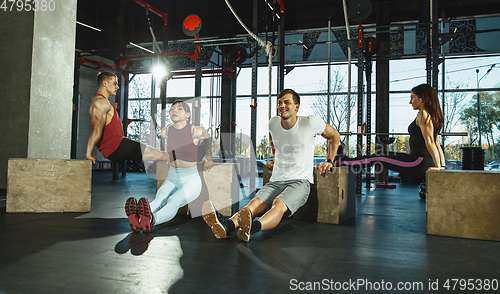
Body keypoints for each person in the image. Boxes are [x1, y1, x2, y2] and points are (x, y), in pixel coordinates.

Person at [202, 89, 341, 242]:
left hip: (299, 182)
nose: (282, 105)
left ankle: (252, 228)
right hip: (276, 180)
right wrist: (275, 158)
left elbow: (334, 135)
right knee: (255, 203)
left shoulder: (310, 122)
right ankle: (227, 226)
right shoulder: (273, 123)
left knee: (278, 204)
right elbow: (273, 139)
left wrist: (329, 160)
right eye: (279, 103)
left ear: (297, 106)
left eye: (287, 102)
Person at [126, 100, 214, 233]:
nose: (174, 111)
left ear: (187, 115)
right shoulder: (166, 132)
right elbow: (173, 146)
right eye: (172, 109)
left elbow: (207, 139)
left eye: (179, 109)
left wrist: (209, 158)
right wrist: (170, 156)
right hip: (172, 176)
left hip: (191, 179)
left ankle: (152, 219)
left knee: (174, 200)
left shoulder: (195, 131)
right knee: (160, 198)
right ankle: (139, 218)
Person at [341, 83, 445, 182]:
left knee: (377, 157)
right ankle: (345, 161)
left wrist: (437, 166)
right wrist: (442, 165)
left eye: (412, 97)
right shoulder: (432, 116)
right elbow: (437, 143)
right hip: (420, 160)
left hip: (418, 162)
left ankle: (344, 161)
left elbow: (430, 141)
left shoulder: (423, 114)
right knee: (379, 155)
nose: (410, 101)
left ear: (422, 99)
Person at [85, 71, 169, 165]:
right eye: (115, 83)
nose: (117, 87)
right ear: (105, 83)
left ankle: (179, 159)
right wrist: (89, 153)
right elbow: (96, 130)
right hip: (117, 147)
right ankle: (183, 158)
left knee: (157, 155)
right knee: (159, 155)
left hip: (119, 146)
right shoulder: (100, 102)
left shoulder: (102, 102)